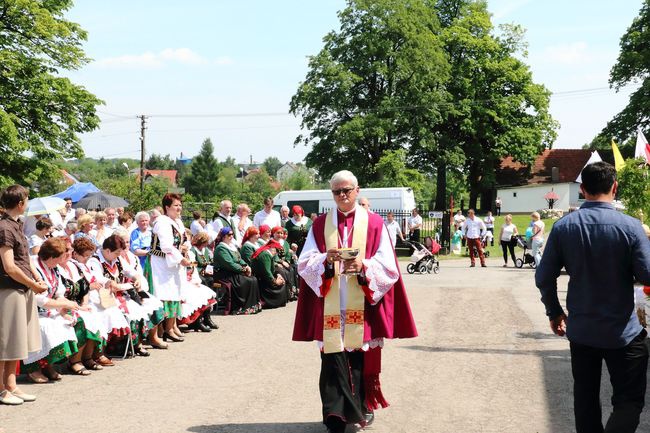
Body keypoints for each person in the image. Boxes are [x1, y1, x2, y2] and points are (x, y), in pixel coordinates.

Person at [293, 170, 417, 433]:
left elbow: (388, 266)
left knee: (357, 359)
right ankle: (334, 415)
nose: (342, 196)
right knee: (331, 358)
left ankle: (358, 409)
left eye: (347, 190)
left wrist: (364, 266)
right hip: (331, 301)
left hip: (359, 302)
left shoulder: (374, 224)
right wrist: (325, 260)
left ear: (357, 191)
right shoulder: (320, 225)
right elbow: (304, 262)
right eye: (337, 191)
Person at [536, 161, 650, 433]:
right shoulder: (631, 227)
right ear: (615, 187)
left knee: (585, 399)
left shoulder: (564, 227)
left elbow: (543, 276)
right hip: (622, 330)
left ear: (582, 189)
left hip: (583, 329)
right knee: (629, 401)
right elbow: (647, 275)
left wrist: (554, 311)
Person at [0, 185, 47, 405]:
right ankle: (1, 390)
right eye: (26, 199)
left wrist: (36, 279)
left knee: (15, 341)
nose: (27, 203)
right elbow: (9, 266)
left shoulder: (15, 226)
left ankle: (10, 386)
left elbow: (25, 260)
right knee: (4, 342)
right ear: (20, 203)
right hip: (9, 289)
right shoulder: (4, 228)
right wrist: (33, 284)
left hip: (22, 288)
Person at [25, 238, 82, 381]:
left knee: (69, 321)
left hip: (49, 310)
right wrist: (62, 306)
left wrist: (66, 309)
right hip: (32, 311)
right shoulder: (32, 266)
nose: (61, 261)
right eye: (59, 257)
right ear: (51, 257)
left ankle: (49, 365)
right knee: (46, 327)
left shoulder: (54, 268)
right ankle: (33, 369)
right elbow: (37, 298)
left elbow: (59, 293)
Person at [146, 193, 191, 343]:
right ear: (167, 207)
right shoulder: (162, 222)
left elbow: (185, 239)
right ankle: (154, 334)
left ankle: (170, 328)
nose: (179, 208)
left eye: (180, 205)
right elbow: (166, 246)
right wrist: (181, 257)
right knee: (159, 296)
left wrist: (185, 247)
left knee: (174, 293)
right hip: (160, 263)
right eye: (175, 206)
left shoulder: (177, 221)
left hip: (173, 263)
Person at [212, 227, 261, 315]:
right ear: (223, 236)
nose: (231, 236)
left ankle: (253, 306)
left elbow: (239, 259)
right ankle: (241, 307)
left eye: (232, 234)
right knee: (247, 281)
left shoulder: (231, 246)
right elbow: (229, 264)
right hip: (224, 274)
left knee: (253, 279)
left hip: (233, 272)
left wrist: (246, 266)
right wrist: (243, 269)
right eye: (229, 235)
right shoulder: (221, 248)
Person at [250, 239, 287, 308]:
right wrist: (275, 281)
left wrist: (278, 275)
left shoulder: (268, 254)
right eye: (276, 250)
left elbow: (272, 268)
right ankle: (271, 303)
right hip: (262, 279)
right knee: (280, 285)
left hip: (265, 277)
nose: (276, 253)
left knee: (282, 280)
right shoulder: (265, 255)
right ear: (272, 248)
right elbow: (267, 272)